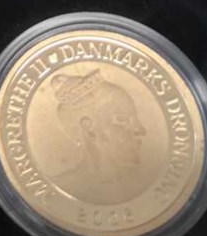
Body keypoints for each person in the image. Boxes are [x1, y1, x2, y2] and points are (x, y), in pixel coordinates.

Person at [50, 69, 147, 205]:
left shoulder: (140, 186)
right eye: (123, 120)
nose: (141, 131)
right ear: (89, 128)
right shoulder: (58, 193)